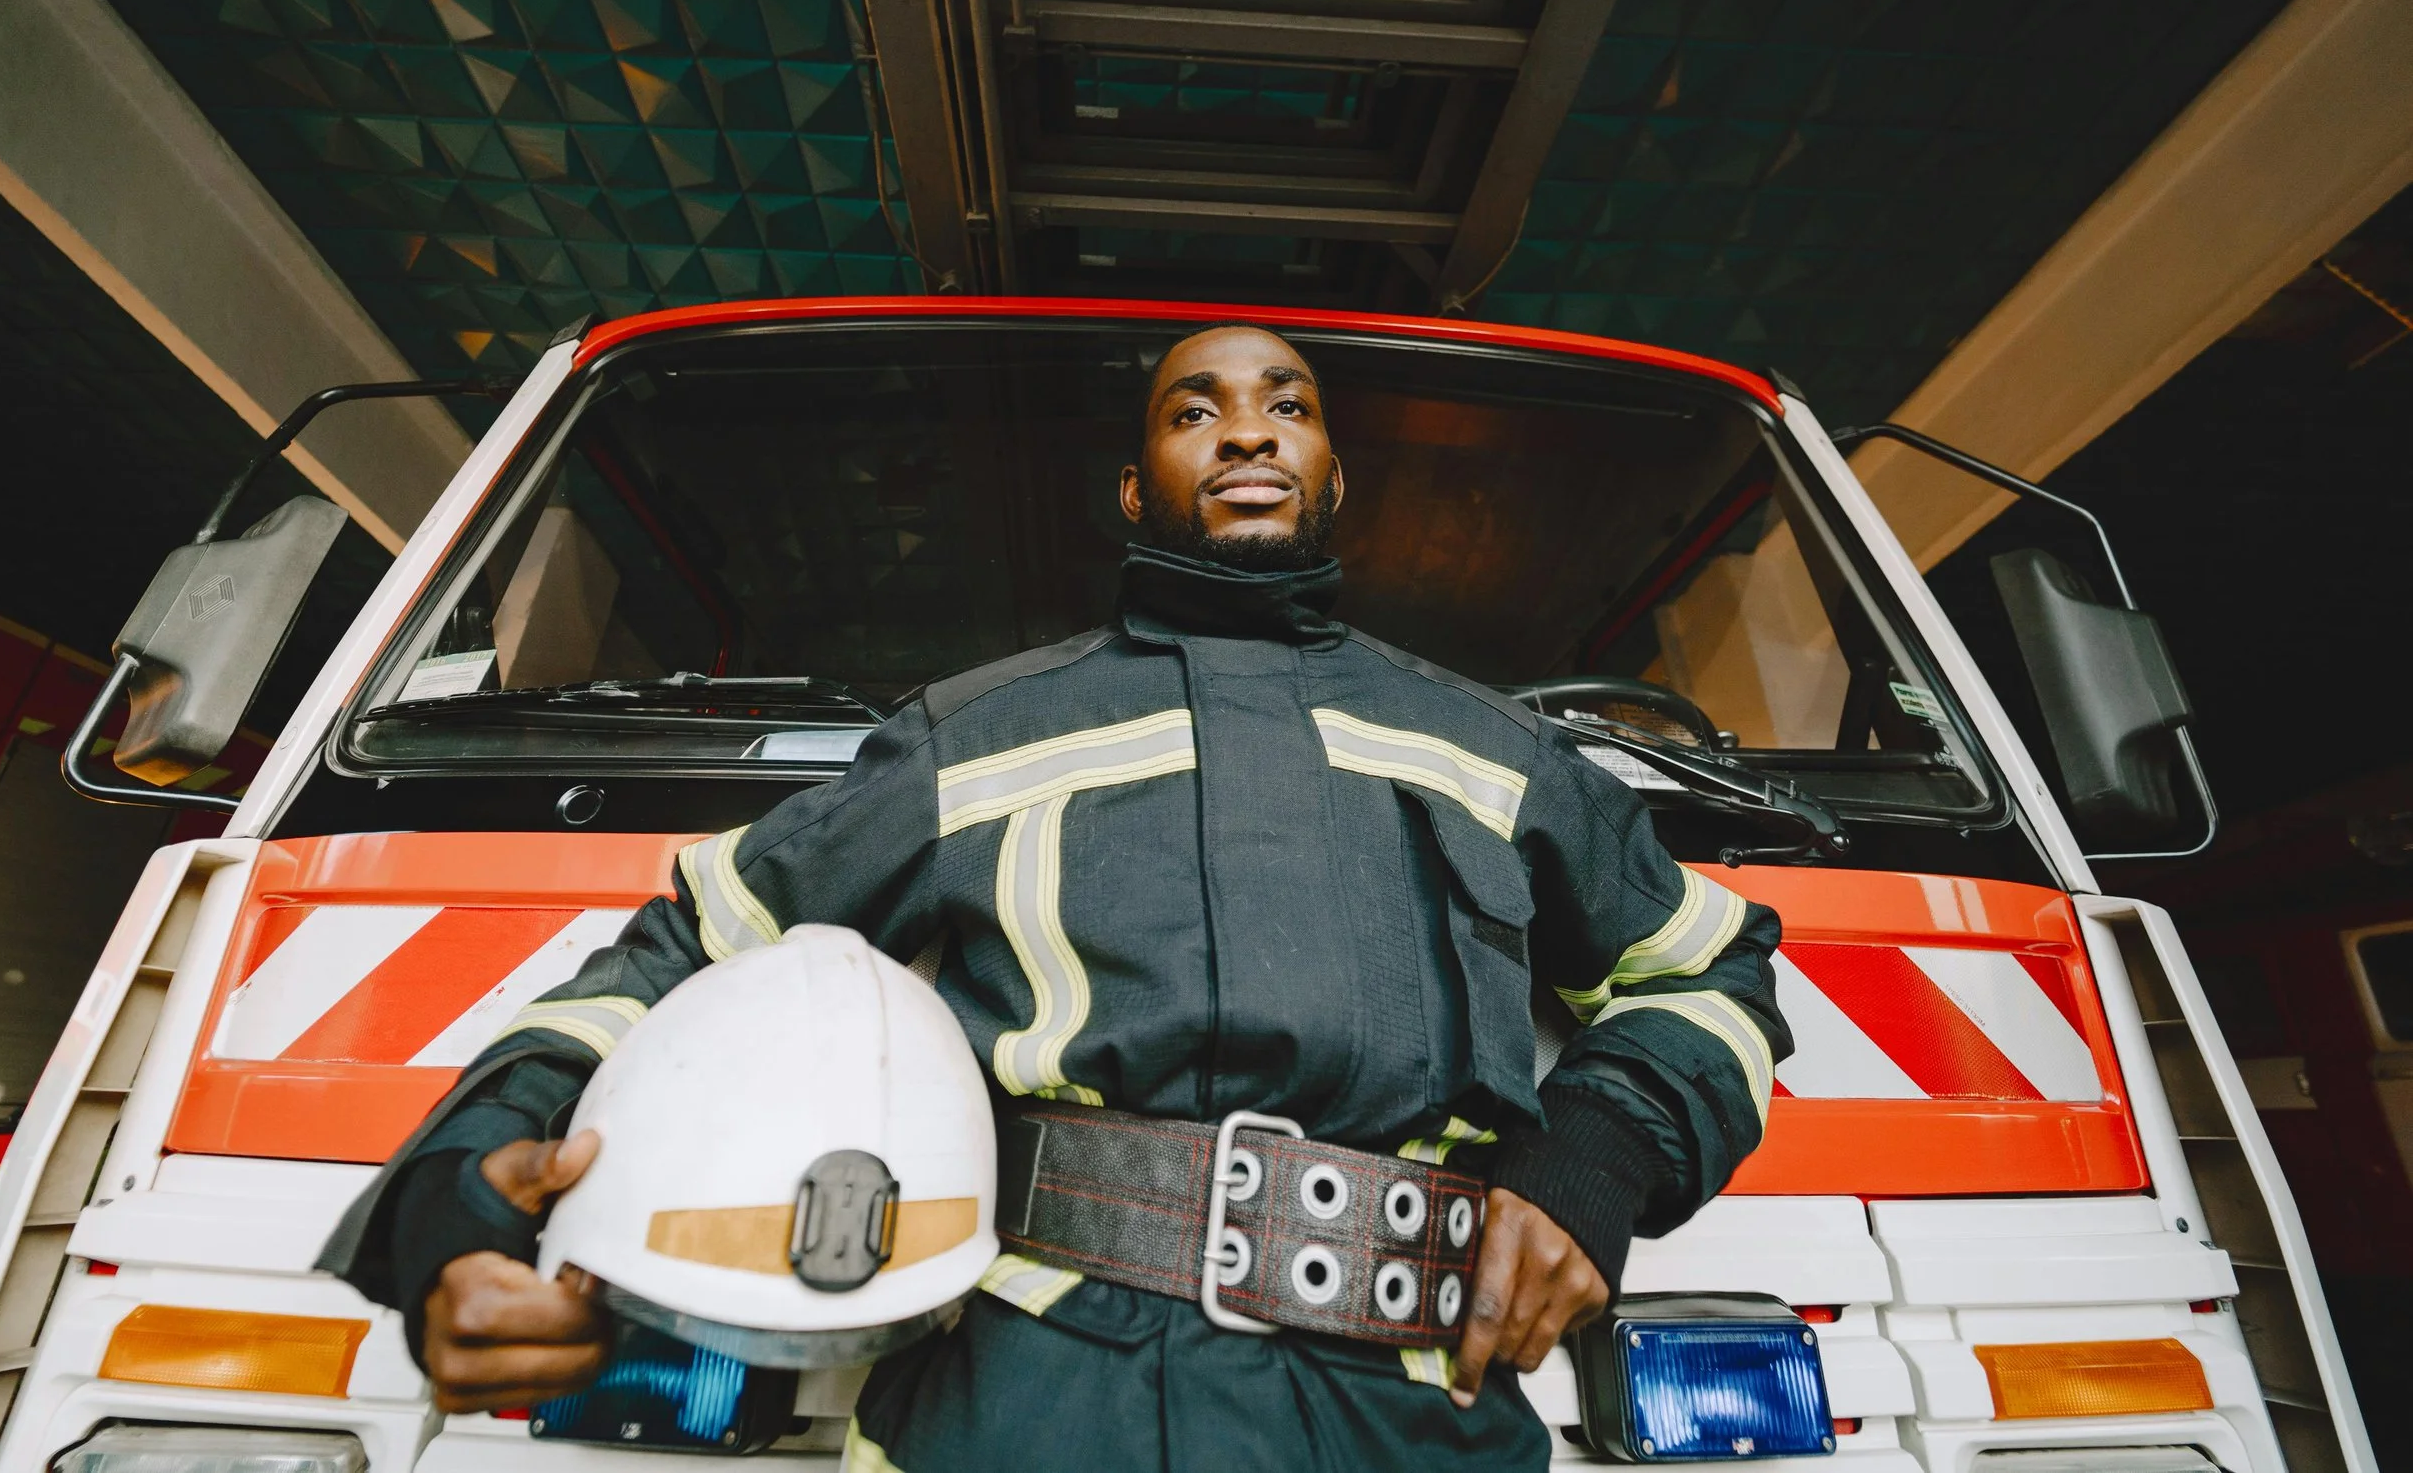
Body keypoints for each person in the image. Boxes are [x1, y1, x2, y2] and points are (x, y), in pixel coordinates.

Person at [321, 324, 1790, 1471]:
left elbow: (1709, 974)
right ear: (1136, 486)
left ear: (1336, 475)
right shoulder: (973, 742)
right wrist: (455, 1202)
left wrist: (1591, 1166)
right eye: (1194, 409)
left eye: (1285, 402)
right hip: (1020, 1414)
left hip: (1417, 1420)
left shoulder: (1499, 754)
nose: (1246, 428)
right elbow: (684, 951)